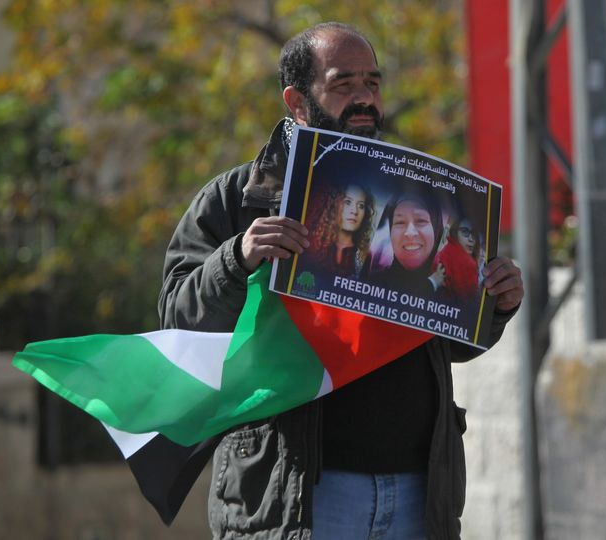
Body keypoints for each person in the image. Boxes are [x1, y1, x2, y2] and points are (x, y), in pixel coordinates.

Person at [157, 21, 524, 540]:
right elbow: (178, 318)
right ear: (297, 99)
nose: (364, 100)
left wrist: (495, 304)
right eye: (343, 85)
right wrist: (237, 258)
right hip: (302, 494)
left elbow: (447, 343)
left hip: (418, 491)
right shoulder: (238, 197)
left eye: (372, 84)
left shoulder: (415, 191)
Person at [368, 190, 447, 302]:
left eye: (420, 220)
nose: (410, 233)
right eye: (400, 222)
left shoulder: (450, 295)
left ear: (436, 229)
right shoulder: (371, 283)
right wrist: (431, 284)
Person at [305, 182, 376, 279]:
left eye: (361, 206)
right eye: (347, 202)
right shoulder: (313, 244)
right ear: (334, 205)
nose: (354, 211)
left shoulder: (366, 255)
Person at [432, 217, 482, 302]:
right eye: (465, 232)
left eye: (474, 233)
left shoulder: (443, 253)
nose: (471, 239)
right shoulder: (468, 264)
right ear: (454, 232)